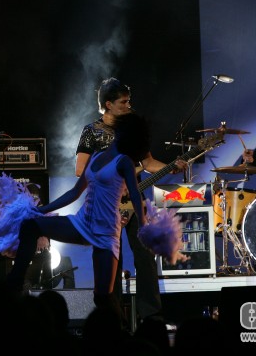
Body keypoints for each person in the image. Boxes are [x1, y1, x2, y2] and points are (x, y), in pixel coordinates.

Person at [5, 112, 150, 313]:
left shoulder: (124, 161)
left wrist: (143, 226)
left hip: (105, 233)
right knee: (31, 225)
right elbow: (74, 193)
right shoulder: (96, 155)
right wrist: (41, 210)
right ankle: (14, 285)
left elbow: (135, 195)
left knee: (102, 297)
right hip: (82, 223)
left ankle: (116, 328)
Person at [75, 77, 187, 321]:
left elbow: (148, 163)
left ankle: (152, 316)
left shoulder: (132, 129)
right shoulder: (91, 131)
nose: (129, 106)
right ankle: (111, 317)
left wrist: (172, 166)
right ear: (108, 104)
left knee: (146, 256)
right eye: (123, 102)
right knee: (110, 260)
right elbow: (80, 169)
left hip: (135, 200)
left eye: (129, 101)